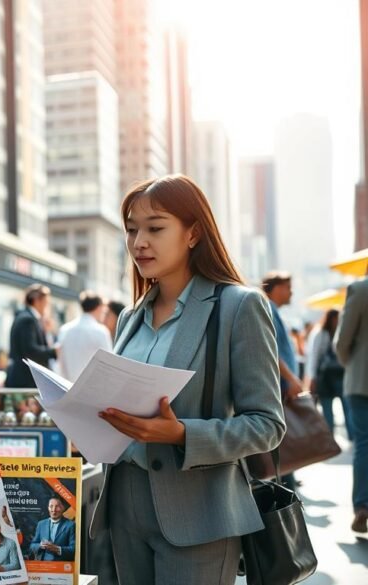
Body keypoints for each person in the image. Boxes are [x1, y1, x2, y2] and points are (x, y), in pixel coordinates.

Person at [87, 175, 285, 585]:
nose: (139, 241)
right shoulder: (130, 316)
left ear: (194, 232)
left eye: (155, 228)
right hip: (125, 508)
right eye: (132, 229)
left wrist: (181, 434)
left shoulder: (239, 307)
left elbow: (267, 425)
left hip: (199, 514)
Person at [262, 271, 302, 490]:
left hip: (280, 387)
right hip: (277, 387)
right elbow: (270, 350)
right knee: (280, 440)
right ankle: (286, 488)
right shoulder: (267, 308)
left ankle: (288, 483)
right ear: (276, 288)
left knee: (283, 441)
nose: (291, 292)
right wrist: (291, 379)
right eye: (288, 287)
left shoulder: (272, 309)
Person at [336, 274, 368, 532]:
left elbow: (342, 342)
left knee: (364, 444)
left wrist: (353, 364)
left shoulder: (359, 289)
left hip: (361, 381)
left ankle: (363, 506)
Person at [6, 284, 59, 388]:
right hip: (25, 380)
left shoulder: (26, 317)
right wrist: (54, 352)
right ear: (37, 300)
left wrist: (47, 332)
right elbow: (30, 351)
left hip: (23, 378)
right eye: (46, 302)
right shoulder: (28, 320)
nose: (47, 306)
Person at [57, 290, 113, 381]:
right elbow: (109, 364)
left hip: (67, 387)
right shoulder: (101, 331)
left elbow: (60, 363)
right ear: (99, 307)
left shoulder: (64, 329)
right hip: (92, 388)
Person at [310, 309, 347, 434]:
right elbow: (314, 357)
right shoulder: (320, 334)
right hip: (325, 379)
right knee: (327, 410)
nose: (338, 321)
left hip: (340, 377)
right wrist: (312, 378)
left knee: (347, 408)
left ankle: (352, 437)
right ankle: (329, 438)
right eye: (336, 318)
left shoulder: (342, 332)